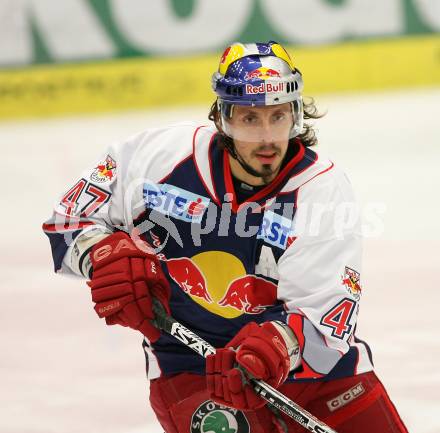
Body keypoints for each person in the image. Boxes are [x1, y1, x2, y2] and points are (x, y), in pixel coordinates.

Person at [43, 41, 409, 433]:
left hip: (315, 375)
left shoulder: (322, 190)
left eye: (279, 117)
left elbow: (329, 319)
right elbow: (70, 220)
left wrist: (277, 347)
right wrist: (101, 252)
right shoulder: (156, 157)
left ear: (297, 115)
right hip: (189, 369)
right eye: (250, 119)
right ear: (222, 118)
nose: (268, 138)